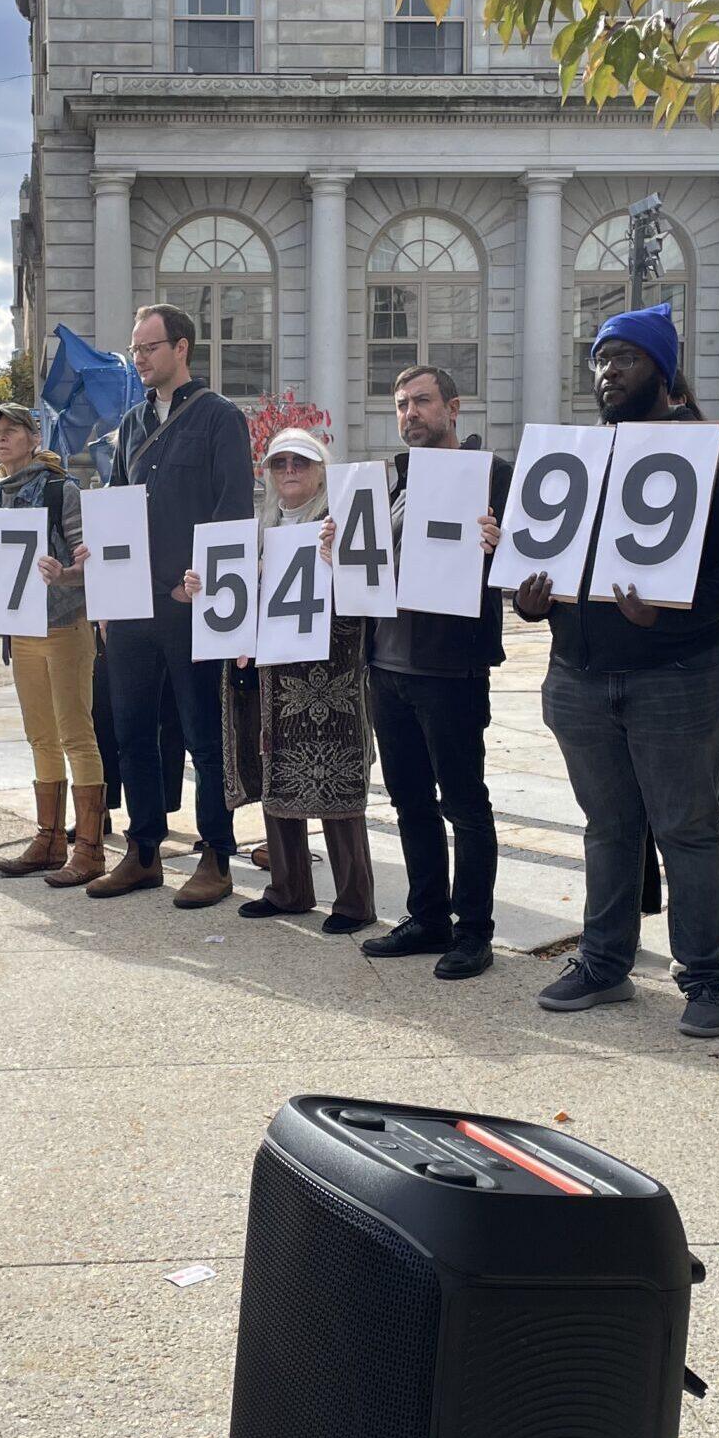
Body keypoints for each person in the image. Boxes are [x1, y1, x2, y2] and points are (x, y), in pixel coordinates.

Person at [516, 303, 719, 1038]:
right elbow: (546, 560)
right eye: (600, 359)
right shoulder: (576, 457)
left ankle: (706, 975)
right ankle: (604, 962)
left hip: (677, 674)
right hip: (579, 675)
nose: (608, 372)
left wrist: (670, 616)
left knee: (688, 830)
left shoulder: (710, 457)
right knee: (607, 829)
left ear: (663, 370)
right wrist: (528, 601)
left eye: (626, 358)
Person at [86, 302, 257, 908]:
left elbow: (233, 510)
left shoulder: (220, 417)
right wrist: (104, 592)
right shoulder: (131, 423)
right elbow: (116, 508)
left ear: (181, 347)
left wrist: (209, 586)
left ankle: (216, 856)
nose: (138, 358)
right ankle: (143, 852)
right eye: (135, 348)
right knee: (132, 731)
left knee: (202, 735)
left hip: (192, 604)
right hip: (132, 606)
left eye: (148, 348)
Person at [353, 365, 511, 980]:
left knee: (464, 803)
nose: (410, 413)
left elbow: (527, 558)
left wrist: (501, 543)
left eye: (421, 401)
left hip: (451, 668)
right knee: (409, 800)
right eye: (401, 404)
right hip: (387, 665)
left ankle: (474, 932)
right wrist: (339, 551)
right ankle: (427, 918)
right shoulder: (395, 483)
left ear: (453, 407)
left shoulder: (490, 476)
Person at [197, 427, 377, 931]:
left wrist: (342, 559)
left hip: (331, 674)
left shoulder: (340, 519)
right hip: (273, 674)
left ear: (321, 469)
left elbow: (370, 586)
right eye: (279, 463)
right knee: (276, 774)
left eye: (301, 461)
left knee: (335, 781)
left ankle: (354, 902)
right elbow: (240, 598)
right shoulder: (261, 526)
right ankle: (288, 888)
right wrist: (204, 589)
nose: (290, 470)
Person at [0, 404, 102, 884]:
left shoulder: (61, 490)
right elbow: (1, 564)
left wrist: (64, 574)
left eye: (10, 430)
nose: (0, 438)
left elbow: (89, 564)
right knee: (39, 735)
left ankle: (90, 849)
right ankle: (49, 838)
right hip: (22, 629)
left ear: (34, 437)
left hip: (64, 625)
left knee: (75, 734)